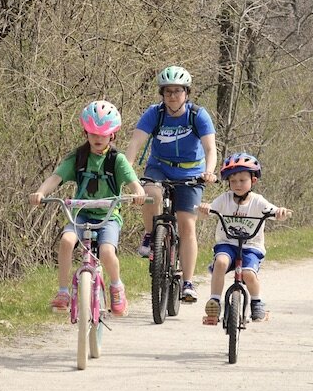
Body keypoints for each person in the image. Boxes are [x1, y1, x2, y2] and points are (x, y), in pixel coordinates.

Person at [28, 100, 145, 316]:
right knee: (65, 241)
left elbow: (133, 182)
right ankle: (63, 292)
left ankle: (117, 287)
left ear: (112, 135)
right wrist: (41, 192)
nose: (97, 139)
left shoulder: (116, 160)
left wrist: (138, 192)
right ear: (86, 133)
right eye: (92, 134)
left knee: (107, 252)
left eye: (103, 134)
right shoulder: (78, 158)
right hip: (80, 215)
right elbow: (56, 177)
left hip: (108, 216)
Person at [125, 65, 218, 304]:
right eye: (168, 92)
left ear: (186, 93)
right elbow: (135, 143)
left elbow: (210, 148)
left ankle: (187, 282)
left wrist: (209, 171)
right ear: (162, 94)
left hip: (191, 172)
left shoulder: (198, 115)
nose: (172, 96)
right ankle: (149, 235)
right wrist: (128, 171)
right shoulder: (154, 114)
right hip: (159, 166)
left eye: (177, 91)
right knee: (150, 193)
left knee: (187, 226)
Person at [202, 152, 291, 325]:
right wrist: (205, 209)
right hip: (227, 244)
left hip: (251, 246)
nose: (237, 185)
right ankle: (214, 303)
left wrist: (281, 213)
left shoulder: (258, 201)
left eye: (242, 180)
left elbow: (274, 212)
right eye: (233, 181)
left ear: (253, 181)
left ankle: (257, 303)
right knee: (220, 262)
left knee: (248, 274)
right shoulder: (224, 199)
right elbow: (209, 211)